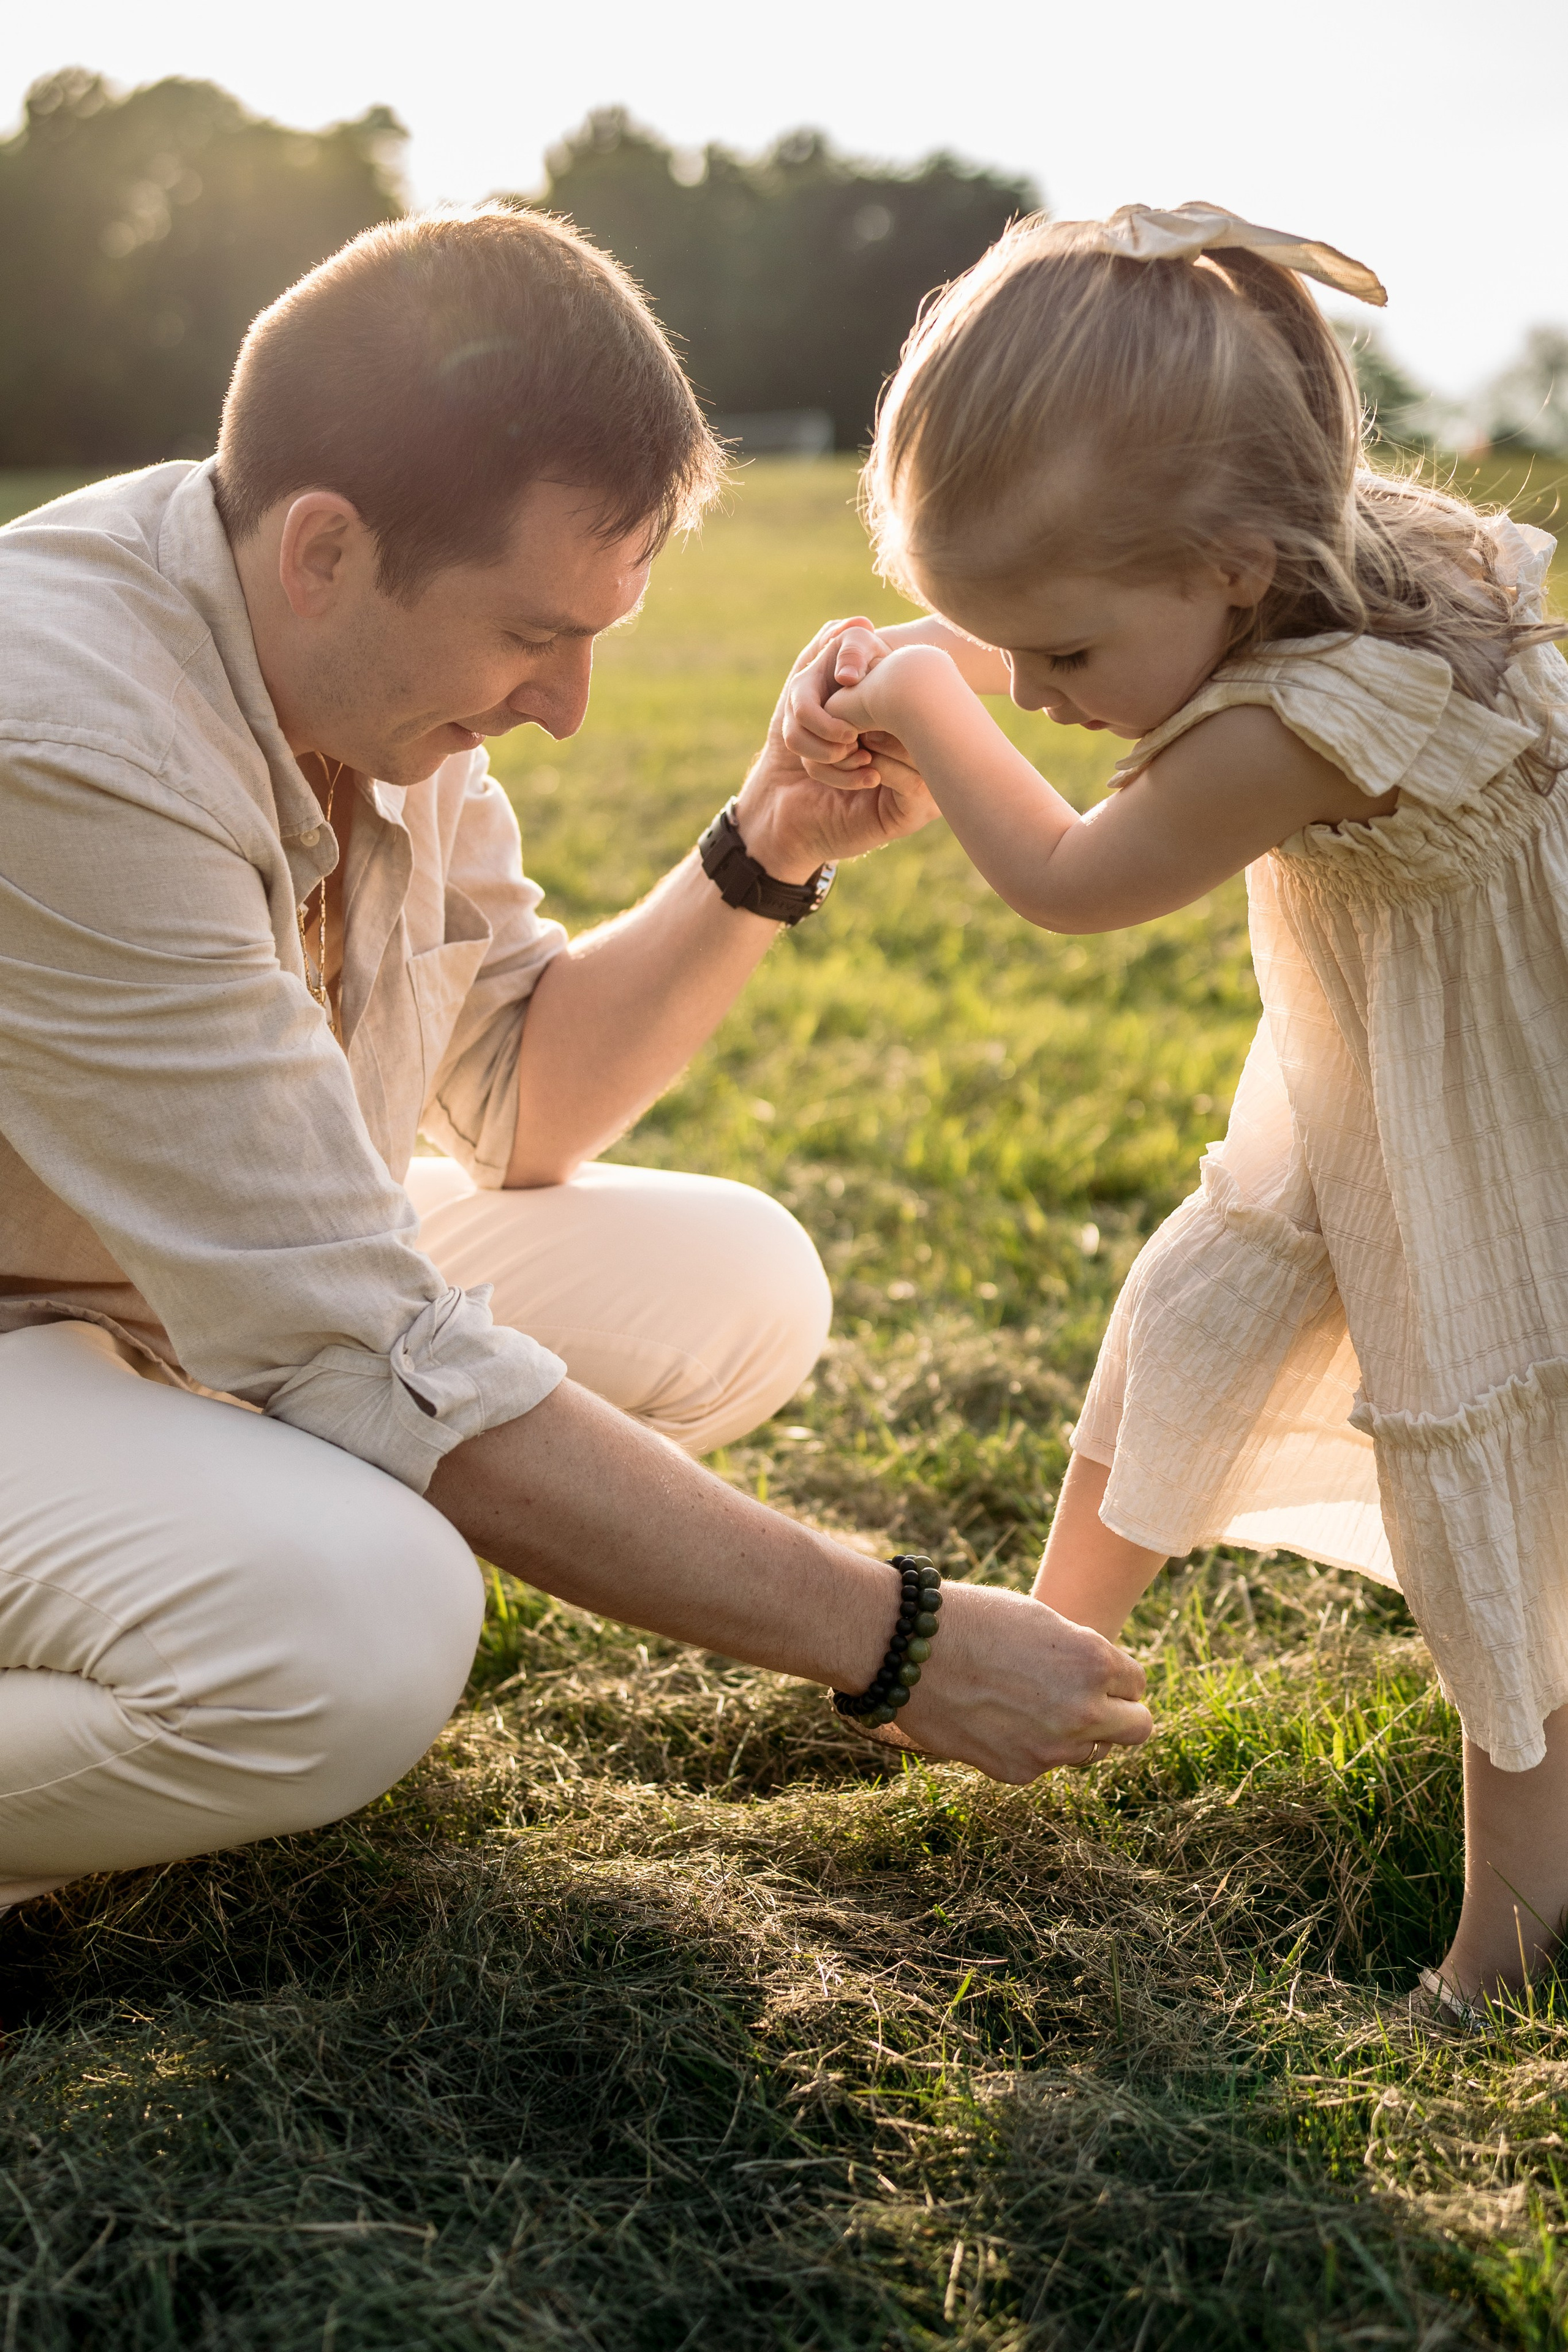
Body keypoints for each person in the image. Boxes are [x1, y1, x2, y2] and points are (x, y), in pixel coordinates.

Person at [0, 204, 1153, 1912]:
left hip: (182, 1310)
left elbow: (522, 1102)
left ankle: (210, 1518)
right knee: (360, 1632)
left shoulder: (353, 674)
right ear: (325, 550)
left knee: (738, 1277)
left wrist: (777, 837)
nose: (569, 706)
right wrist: (899, 1643)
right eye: (539, 633)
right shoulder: (65, 733)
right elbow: (349, 1338)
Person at [783, 202, 1568, 2022]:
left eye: (1052, 653)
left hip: (1496, 1120)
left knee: (1502, 1492)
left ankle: (1512, 1928)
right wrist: (964, 652)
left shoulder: (1302, 720)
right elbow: (1113, 652)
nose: (1036, 694)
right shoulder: (1303, 558)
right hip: (1368, 1072)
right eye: (1008, 649)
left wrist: (922, 690)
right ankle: (1047, 1659)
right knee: (1192, 1312)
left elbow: (1072, 876)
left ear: (1230, 567)